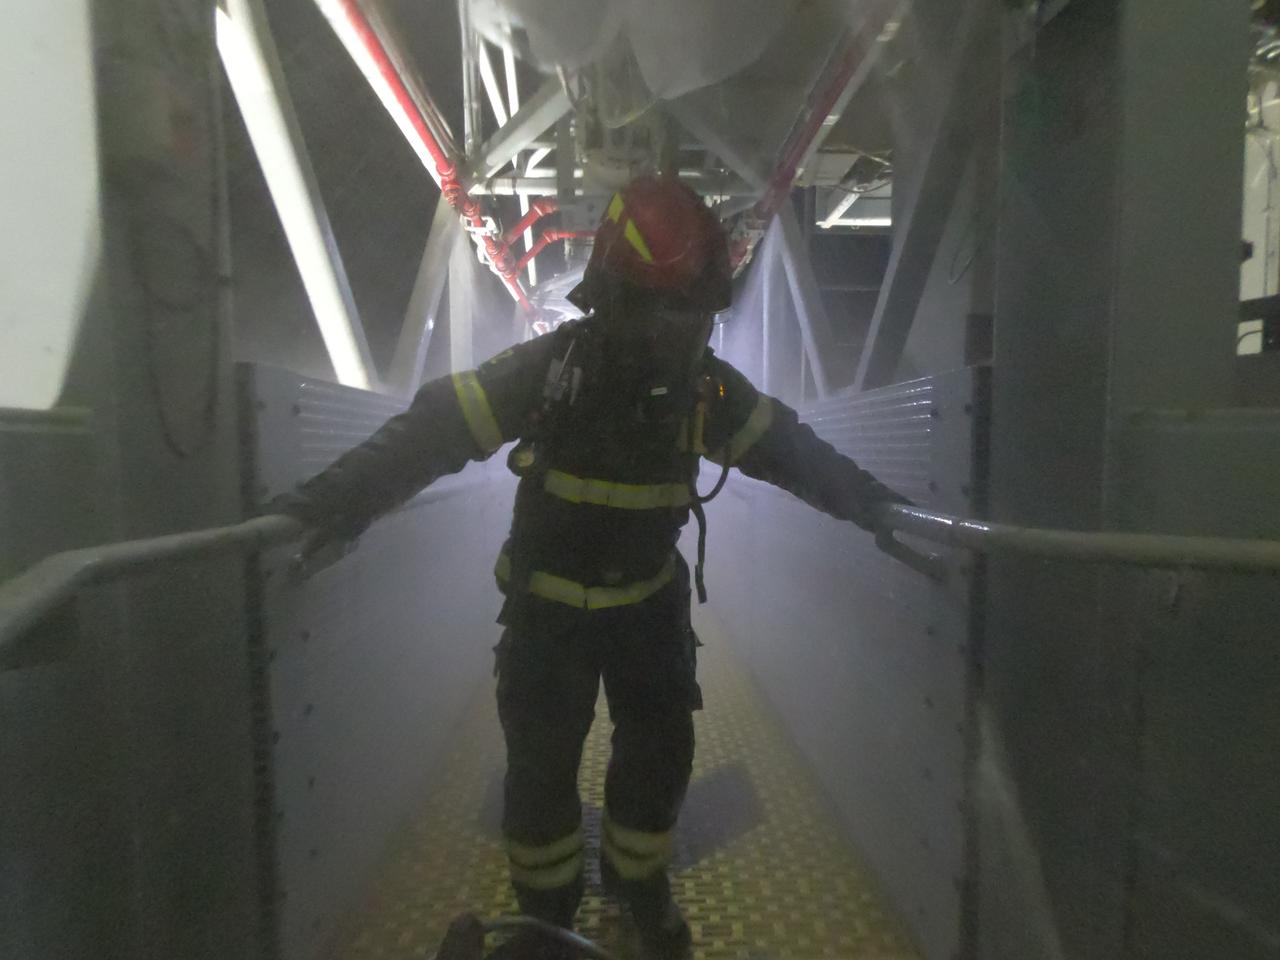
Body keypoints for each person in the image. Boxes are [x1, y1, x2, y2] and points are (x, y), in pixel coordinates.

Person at [273, 175, 908, 959]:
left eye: (691, 315)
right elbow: (429, 434)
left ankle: (637, 887)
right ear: (612, 299)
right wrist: (326, 505)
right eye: (663, 312)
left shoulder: (698, 387)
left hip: (645, 610)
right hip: (549, 617)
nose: (676, 334)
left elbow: (793, 453)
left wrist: (878, 506)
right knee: (540, 782)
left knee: (657, 761)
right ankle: (547, 916)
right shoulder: (553, 371)